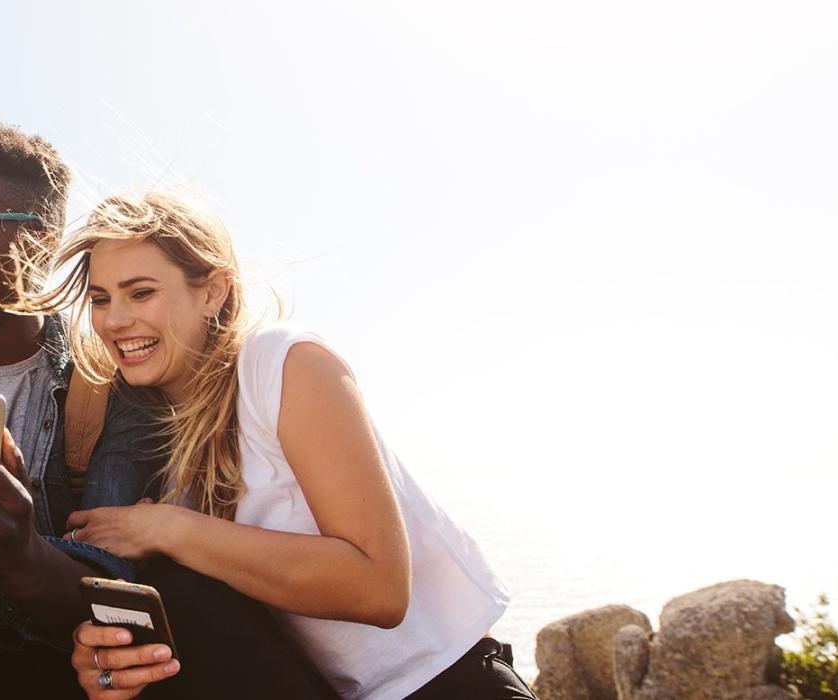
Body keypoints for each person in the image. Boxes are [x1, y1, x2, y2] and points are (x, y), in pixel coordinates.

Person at [0, 121, 332, 699]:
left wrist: (19, 556)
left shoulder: (115, 381)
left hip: (78, 669)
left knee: (184, 598)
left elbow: (121, 585)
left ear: (39, 239)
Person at [37, 192, 533, 699]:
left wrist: (169, 527)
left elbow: (380, 589)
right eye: (100, 300)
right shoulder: (147, 439)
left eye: (140, 293)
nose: (115, 320)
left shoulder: (283, 363)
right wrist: (113, 662)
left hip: (447, 682)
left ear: (213, 291)